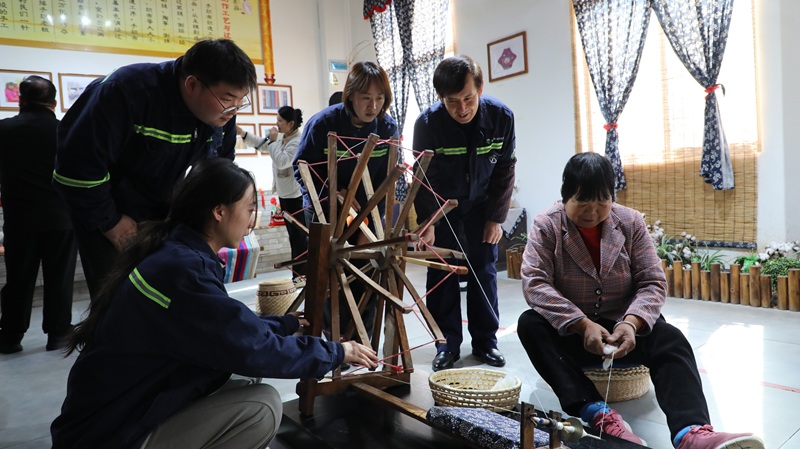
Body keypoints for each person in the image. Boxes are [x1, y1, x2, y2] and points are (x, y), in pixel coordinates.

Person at [50, 158, 378, 449]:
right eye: (250, 208)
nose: (254, 218)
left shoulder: (173, 254)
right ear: (219, 211)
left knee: (242, 378)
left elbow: (221, 328)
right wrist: (336, 352)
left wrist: (288, 324)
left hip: (111, 416)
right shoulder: (184, 273)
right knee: (262, 406)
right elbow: (251, 349)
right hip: (113, 434)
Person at [517, 152, 765, 449]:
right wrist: (582, 325)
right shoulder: (547, 226)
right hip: (573, 335)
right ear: (565, 195)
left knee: (670, 338)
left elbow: (652, 280)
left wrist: (632, 323)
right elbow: (535, 283)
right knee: (530, 324)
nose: (593, 212)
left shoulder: (630, 222)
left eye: (603, 201)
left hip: (625, 332)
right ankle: (598, 414)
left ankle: (691, 432)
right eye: (583, 202)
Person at [53, 38, 257, 302]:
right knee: (119, 302)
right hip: (107, 212)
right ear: (192, 84)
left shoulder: (219, 113)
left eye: (241, 101)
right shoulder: (127, 92)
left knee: (170, 295)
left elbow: (219, 170)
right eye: (228, 98)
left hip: (162, 212)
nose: (234, 109)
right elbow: (75, 169)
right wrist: (111, 223)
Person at [413, 55, 516, 372]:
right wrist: (428, 223)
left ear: (481, 88)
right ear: (440, 98)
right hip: (442, 209)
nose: (462, 109)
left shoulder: (501, 117)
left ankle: (486, 343)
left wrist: (496, 218)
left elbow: (505, 170)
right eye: (452, 101)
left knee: (484, 273)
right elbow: (421, 177)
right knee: (442, 273)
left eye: (469, 98)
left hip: (483, 207)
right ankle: (446, 345)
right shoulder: (427, 124)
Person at [294, 61, 400, 341]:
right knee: (329, 276)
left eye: (380, 98)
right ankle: (332, 342)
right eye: (366, 97)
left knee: (368, 273)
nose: (373, 105)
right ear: (350, 94)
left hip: (369, 212)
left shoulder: (388, 128)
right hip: (325, 210)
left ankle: (360, 342)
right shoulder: (323, 124)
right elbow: (303, 170)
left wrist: (371, 224)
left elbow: (388, 178)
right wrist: (334, 201)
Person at [0, 76, 77, 354]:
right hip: (62, 217)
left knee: (18, 278)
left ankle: (10, 335)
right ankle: (58, 334)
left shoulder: (4, 129)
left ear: (20, 100)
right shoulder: (66, 130)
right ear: (54, 103)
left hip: (20, 218)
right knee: (60, 276)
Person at [238, 106, 308, 287]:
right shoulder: (282, 139)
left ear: (291, 124)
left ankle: (302, 275)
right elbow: (263, 145)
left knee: (299, 237)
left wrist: (274, 142)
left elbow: (282, 161)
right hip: (285, 195)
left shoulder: (297, 141)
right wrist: (243, 133)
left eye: (279, 121)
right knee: (293, 236)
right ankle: (298, 275)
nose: (275, 124)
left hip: (295, 196)